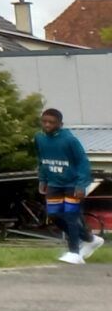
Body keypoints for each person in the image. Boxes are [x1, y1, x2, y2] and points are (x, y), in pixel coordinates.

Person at [35, 107, 101, 265]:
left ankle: (74, 253)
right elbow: (41, 159)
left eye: (51, 122)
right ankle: (89, 239)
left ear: (60, 124)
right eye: (44, 121)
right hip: (54, 184)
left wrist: (81, 184)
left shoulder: (69, 140)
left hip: (72, 184)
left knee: (71, 216)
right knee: (54, 215)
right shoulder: (39, 138)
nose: (47, 125)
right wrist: (42, 179)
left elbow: (83, 162)